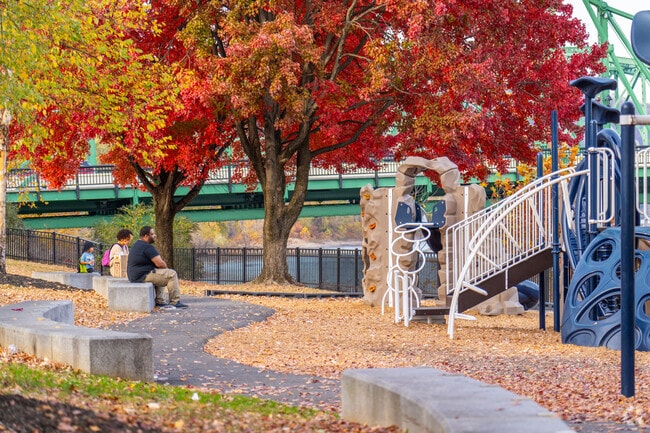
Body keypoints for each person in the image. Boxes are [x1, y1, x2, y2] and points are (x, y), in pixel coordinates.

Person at [127, 226, 188, 309]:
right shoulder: (147, 247)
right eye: (152, 234)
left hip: (134, 275)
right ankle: (175, 301)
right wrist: (166, 268)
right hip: (142, 275)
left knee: (161, 273)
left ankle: (160, 301)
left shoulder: (137, 245)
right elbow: (160, 263)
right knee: (171, 274)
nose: (154, 235)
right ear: (146, 236)